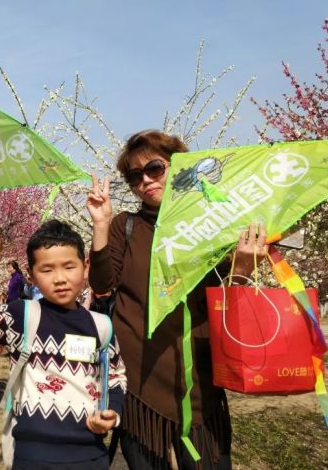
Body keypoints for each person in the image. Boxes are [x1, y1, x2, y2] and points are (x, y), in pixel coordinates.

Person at [87, 130, 266, 470]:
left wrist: (243, 267)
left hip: (199, 376)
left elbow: (227, 302)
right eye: (134, 176)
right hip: (141, 377)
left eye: (155, 168)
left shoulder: (213, 221)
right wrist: (100, 224)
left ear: (180, 167)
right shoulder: (126, 226)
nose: (145, 180)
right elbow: (101, 283)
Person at [0, 216, 127, 469]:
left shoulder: (100, 325)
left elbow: (116, 377)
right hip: (32, 455)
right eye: (47, 270)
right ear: (31, 276)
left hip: (90, 455)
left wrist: (112, 413)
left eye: (69, 267)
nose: (59, 278)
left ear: (86, 267)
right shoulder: (22, 316)